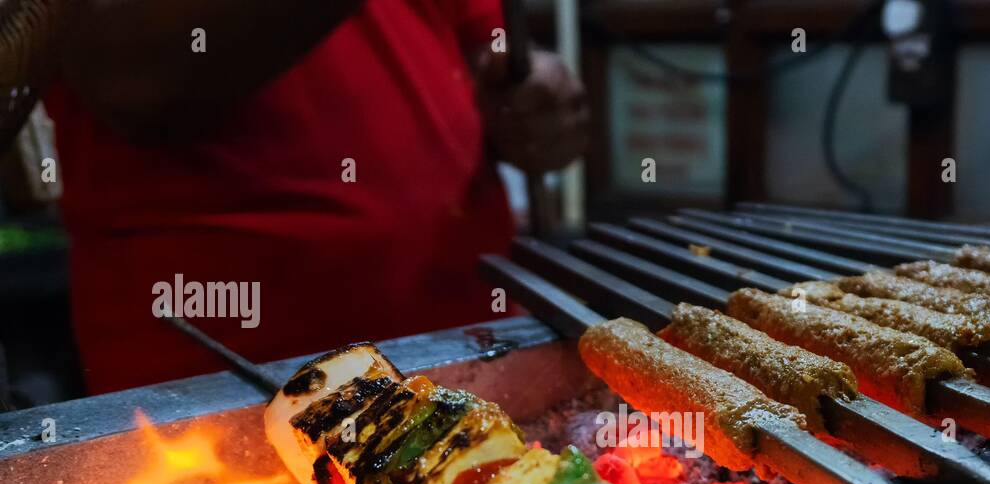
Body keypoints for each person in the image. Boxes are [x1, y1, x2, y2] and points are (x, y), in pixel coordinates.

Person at [45, 0, 588, 393]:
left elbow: (481, 54)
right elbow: (128, 74)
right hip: (218, 390)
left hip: (463, 352)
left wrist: (530, 93)